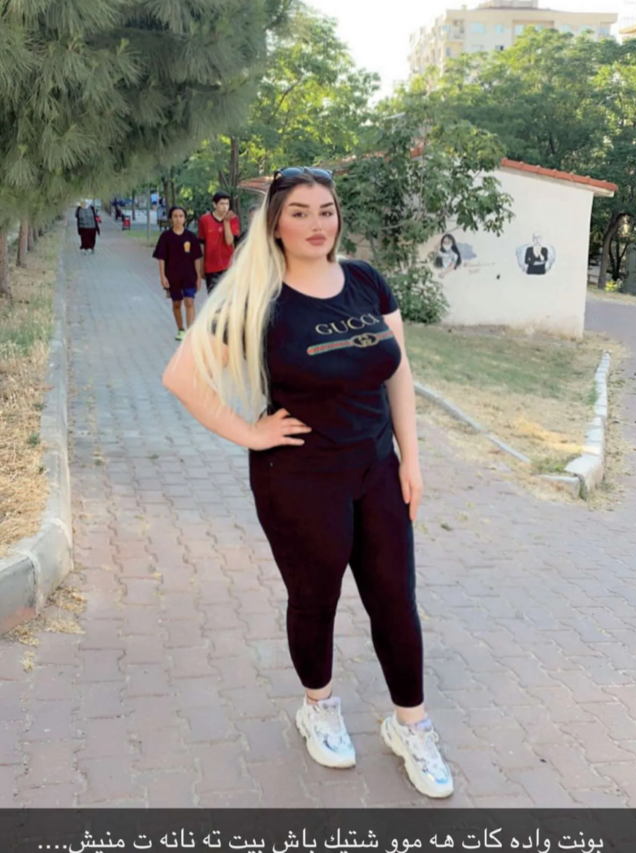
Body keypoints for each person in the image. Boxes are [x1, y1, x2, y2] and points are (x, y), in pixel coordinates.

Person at [162, 167, 454, 799]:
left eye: (326, 210)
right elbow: (181, 376)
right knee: (315, 598)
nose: (317, 224)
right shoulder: (258, 299)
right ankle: (318, 706)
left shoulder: (367, 281)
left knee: (394, 599)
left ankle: (411, 725)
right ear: (276, 224)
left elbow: (397, 372)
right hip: (300, 478)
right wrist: (250, 433)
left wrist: (410, 459)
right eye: (300, 212)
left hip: (377, 469)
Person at [153, 205, 202, 341]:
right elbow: (161, 258)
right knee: (177, 303)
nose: (178, 219)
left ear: (185, 219)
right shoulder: (165, 237)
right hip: (172, 276)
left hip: (189, 275)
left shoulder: (191, 237)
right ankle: (181, 329)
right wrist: (162, 276)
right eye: (175, 216)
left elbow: (197, 258)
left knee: (189, 301)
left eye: (181, 216)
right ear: (171, 219)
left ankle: (190, 330)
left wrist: (198, 277)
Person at [198, 191, 240, 294]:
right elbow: (202, 244)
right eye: (222, 204)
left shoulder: (233, 219)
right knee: (214, 297)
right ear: (214, 204)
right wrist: (201, 267)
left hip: (228, 265)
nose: (225, 207)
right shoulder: (204, 220)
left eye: (227, 204)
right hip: (211, 267)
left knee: (229, 298)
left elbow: (229, 241)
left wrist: (226, 222)